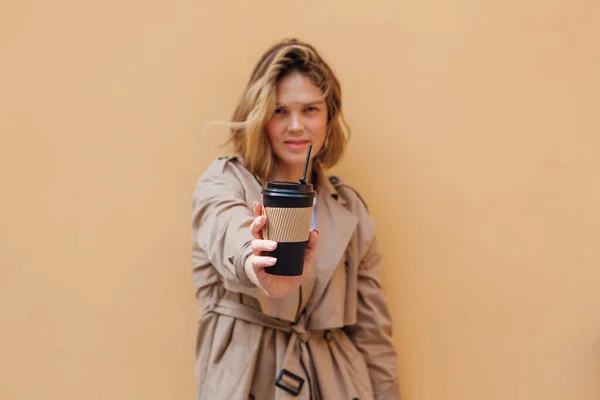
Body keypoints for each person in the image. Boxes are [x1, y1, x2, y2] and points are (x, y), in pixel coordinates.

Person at [191, 38, 399, 400]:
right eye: (280, 111)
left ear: (329, 117)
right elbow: (226, 227)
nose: (296, 125)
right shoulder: (225, 182)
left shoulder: (348, 207)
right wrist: (252, 258)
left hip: (338, 383)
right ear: (259, 116)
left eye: (310, 110)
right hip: (249, 379)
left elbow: (372, 332)